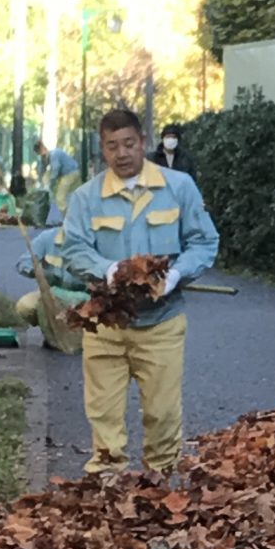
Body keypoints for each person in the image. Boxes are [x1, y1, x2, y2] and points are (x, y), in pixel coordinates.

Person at [58, 108, 220, 477]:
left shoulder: (178, 188)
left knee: (163, 413)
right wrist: (109, 270)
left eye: (129, 144)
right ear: (103, 150)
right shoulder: (87, 198)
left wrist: (177, 274)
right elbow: (73, 249)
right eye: (112, 146)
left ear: (143, 142)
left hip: (161, 323)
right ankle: (107, 485)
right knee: (103, 412)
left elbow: (204, 241)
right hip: (106, 325)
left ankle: (160, 484)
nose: (122, 154)